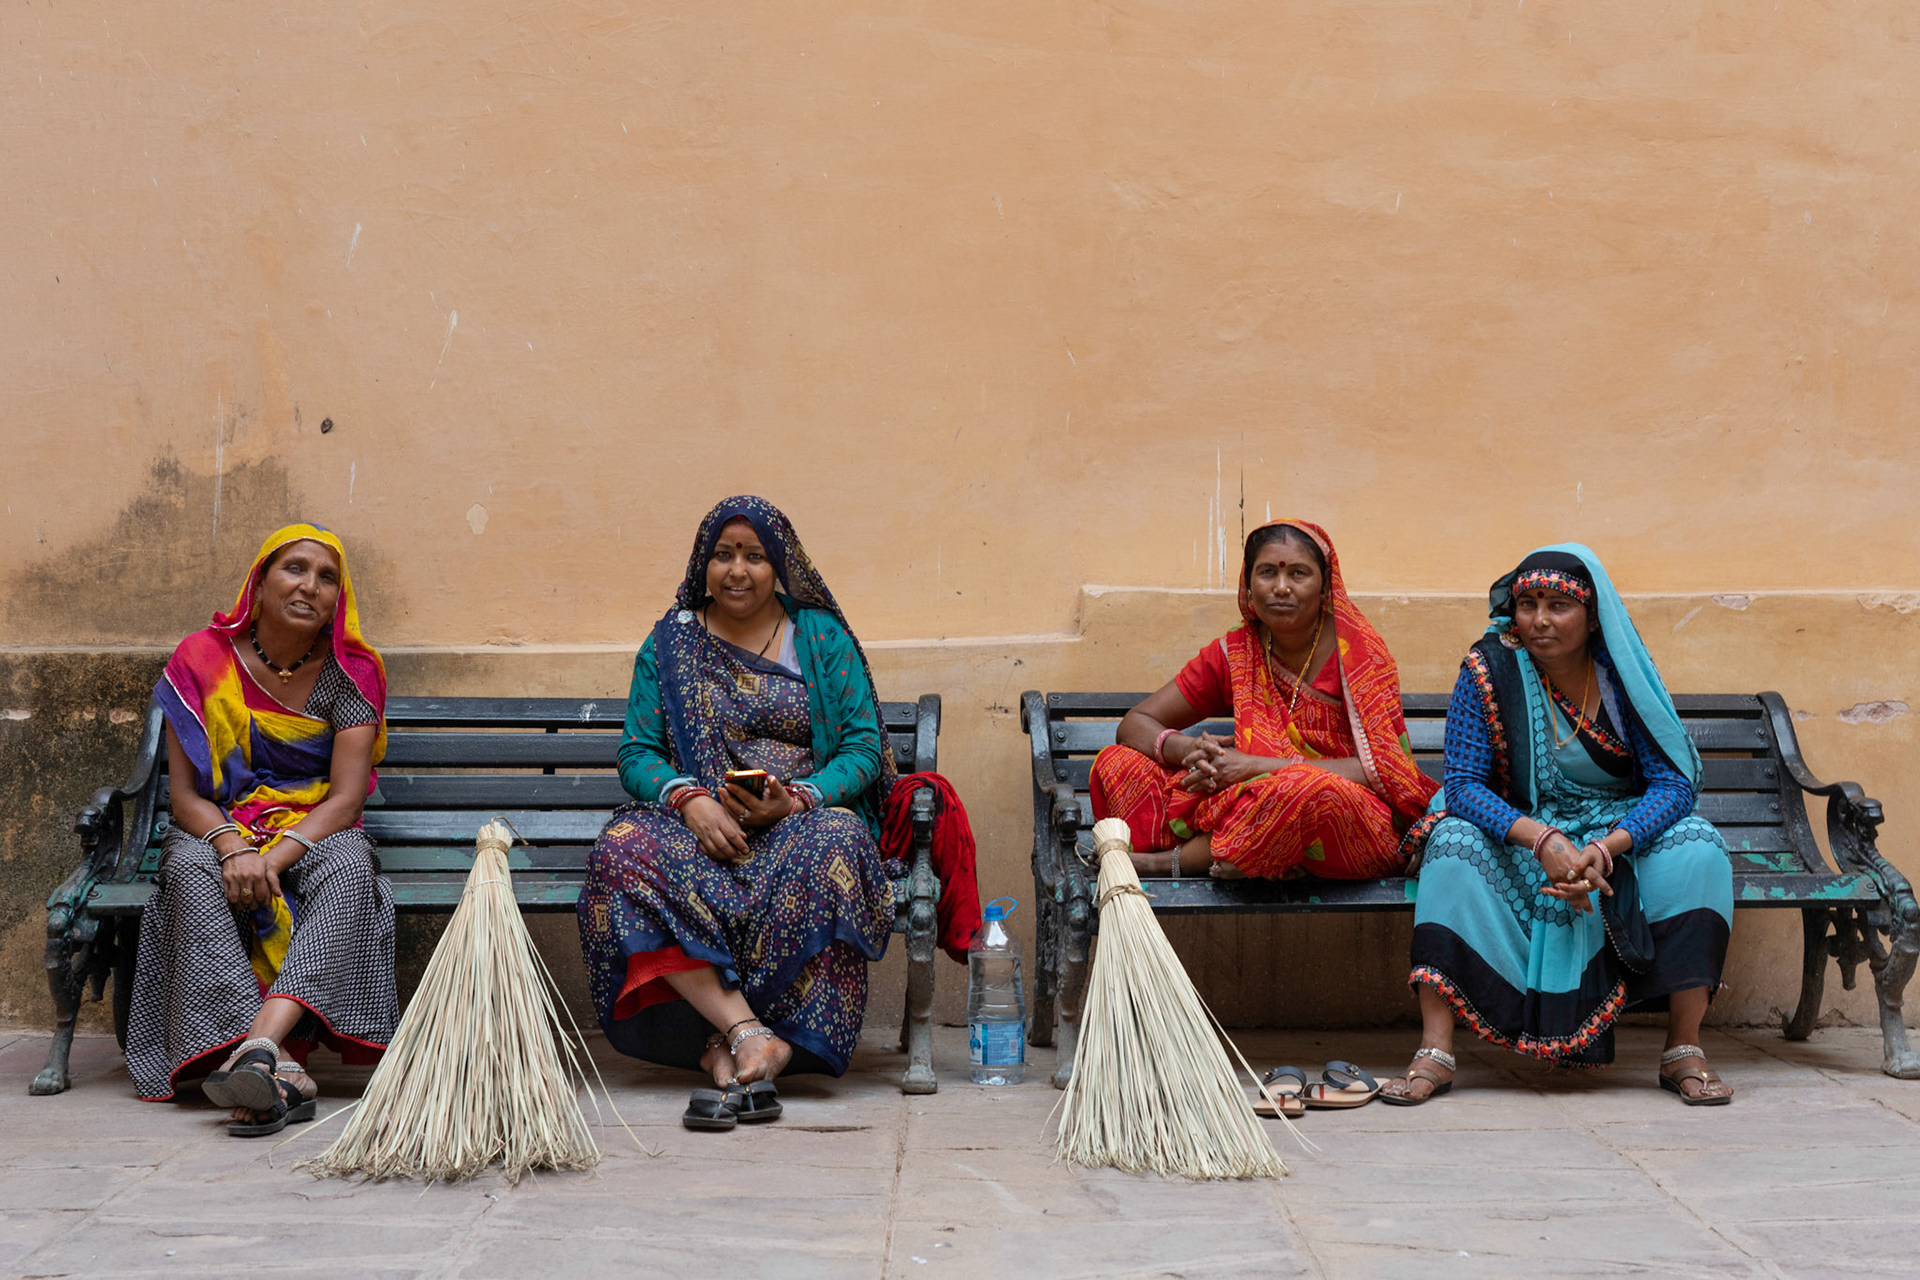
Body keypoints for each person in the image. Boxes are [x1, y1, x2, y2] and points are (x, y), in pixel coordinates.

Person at [577, 496, 899, 1130]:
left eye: (754, 556)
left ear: (779, 565)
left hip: (800, 824)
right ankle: (744, 1031)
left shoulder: (819, 636)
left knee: (837, 839)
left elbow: (863, 747)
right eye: (723, 555)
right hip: (700, 831)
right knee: (622, 846)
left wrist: (798, 798)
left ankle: (732, 1044)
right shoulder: (671, 643)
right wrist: (689, 799)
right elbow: (637, 753)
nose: (737, 570)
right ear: (703, 563)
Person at [1382, 546, 1735, 1106]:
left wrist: (1606, 848)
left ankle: (1683, 1049)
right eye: (1528, 604)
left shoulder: (1622, 674)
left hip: (1615, 834)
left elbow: (1673, 784)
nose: (1540, 620)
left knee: (1701, 848)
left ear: (1593, 617)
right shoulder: (1488, 668)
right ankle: (1435, 1050)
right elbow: (1465, 785)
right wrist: (1542, 839)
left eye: (1558, 606)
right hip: (1520, 830)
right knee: (1450, 842)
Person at [126, 524, 394, 1135]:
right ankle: (279, 1068)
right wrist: (232, 847)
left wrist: (271, 858)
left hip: (313, 825)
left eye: (327, 577)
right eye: (294, 569)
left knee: (352, 868)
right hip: (216, 823)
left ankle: (256, 1050)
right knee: (189, 871)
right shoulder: (202, 660)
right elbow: (185, 796)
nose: (310, 586)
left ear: (340, 596)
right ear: (261, 582)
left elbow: (346, 798)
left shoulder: (351, 672)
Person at [1089, 518, 1438, 880]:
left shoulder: (1359, 655)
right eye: (1267, 572)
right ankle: (1251, 853)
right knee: (1117, 764)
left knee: (1304, 791)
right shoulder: (1239, 652)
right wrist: (1193, 751)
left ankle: (1165, 863)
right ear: (1249, 585)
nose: (1281, 587)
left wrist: (1254, 766)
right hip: (1249, 800)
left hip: (1345, 818)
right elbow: (1135, 724)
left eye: (1298, 574)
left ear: (1325, 588)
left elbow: (1386, 771)